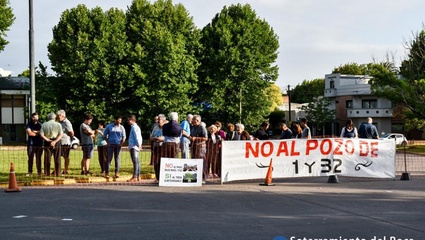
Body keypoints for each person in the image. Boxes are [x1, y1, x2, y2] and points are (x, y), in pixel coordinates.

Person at [39, 112, 63, 177]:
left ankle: (47, 173)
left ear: (48, 118)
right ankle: (58, 173)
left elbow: (41, 134)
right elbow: (61, 134)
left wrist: (48, 140)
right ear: (54, 118)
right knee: (57, 158)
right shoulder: (58, 124)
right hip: (57, 141)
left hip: (47, 142)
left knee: (47, 158)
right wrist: (55, 141)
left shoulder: (44, 124)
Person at [190, 115, 208, 183]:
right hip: (194, 146)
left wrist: (196, 138)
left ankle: (203, 178)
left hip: (201, 147)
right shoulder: (193, 127)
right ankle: (195, 177)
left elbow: (205, 138)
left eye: (193, 120)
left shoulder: (202, 127)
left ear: (197, 120)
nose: (192, 121)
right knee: (194, 161)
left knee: (202, 161)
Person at [57, 110, 74, 175]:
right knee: (58, 156)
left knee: (65, 156)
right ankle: (58, 169)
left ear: (63, 116)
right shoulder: (59, 122)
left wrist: (70, 138)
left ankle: (65, 170)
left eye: (59, 116)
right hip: (59, 142)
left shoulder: (67, 122)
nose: (58, 117)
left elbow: (71, 132)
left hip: (65, 142)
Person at [127, 114, 143, 182]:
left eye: (128, 120)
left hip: (134, 146)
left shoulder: (134, 127)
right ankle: (138, 175)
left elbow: (137, 136)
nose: (127, 121)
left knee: (135, 161)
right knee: (137, 161)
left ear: (131, 120)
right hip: (134, 145)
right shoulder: (135, 127)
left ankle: (135, 176)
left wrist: (138, 144)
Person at [150, 114, 165, 183]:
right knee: (156, 162)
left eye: (160, 119)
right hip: (156, 146)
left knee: (162, 162)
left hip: (163, 147)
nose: (158, 121)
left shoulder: (166, 128)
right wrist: (155, 138)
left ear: (163, 120)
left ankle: (162, 177)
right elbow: (151, 137)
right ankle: (157, 177)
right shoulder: (155, 127)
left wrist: (161, 139)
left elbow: (167, 138)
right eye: (158, 119)